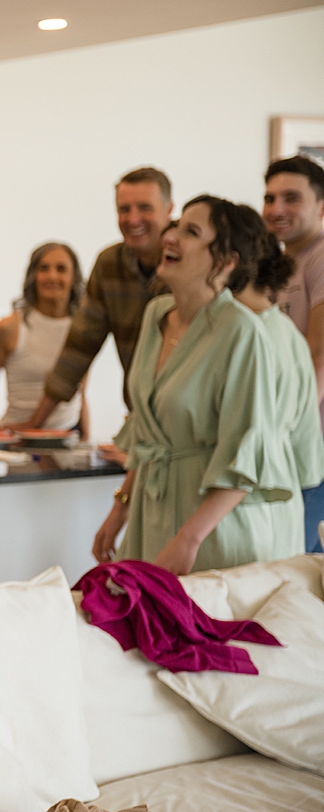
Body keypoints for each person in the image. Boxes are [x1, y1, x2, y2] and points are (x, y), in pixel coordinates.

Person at [92, 194, 298, 575]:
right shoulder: (156, 315)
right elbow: (147, 430)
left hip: (210, 531)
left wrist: (188, 540)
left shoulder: (241, 332)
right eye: (176, 226)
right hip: (149, 515)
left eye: (190, 231)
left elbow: (246, 454)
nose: (170, 237)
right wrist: (120, 506)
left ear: (225, 261)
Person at [16, 167, 172, 428]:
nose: (133, 219)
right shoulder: (109, 264)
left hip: (191, 421)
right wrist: (35, 425)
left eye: (144, 207)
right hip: (141, 418)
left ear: (169, 209)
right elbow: (79, 347)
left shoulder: (192, 260)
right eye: (124, 209)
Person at [227, 210, 324, 550]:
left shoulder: (252, 334)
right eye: (269, 198)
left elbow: (248, 450)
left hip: (252, 510)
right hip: (279, 497)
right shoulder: (271, 328)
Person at [266, 155, 324, 551]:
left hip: (311, 438)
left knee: (303, 561)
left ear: (322, 206)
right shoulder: (284, 262)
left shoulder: (320, 256)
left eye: (291, 198)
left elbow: (320, 354)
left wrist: (286, 427)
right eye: (269, 198)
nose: (277, 209)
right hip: (292, 432)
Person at [0, 242, 89, 434]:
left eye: (61, 269)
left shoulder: (83, 329)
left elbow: (81, 394)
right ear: (33, 276)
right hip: (18, 440)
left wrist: (86, 439)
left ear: (73, 277)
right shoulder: (8, 327)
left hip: (67, 440)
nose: (52, 276)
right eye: (43, 268)